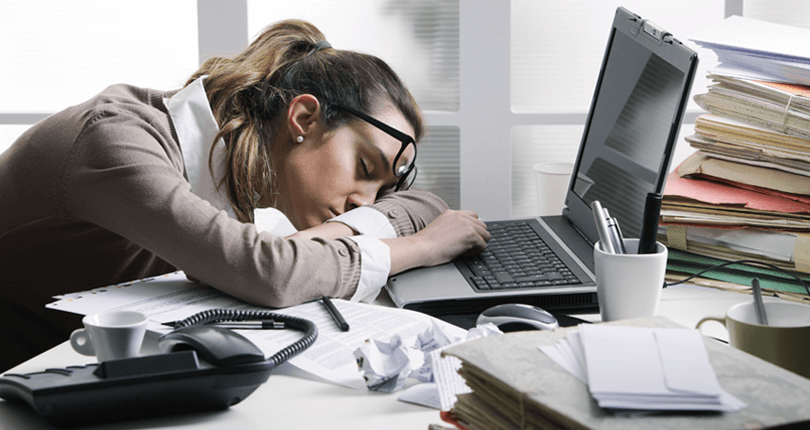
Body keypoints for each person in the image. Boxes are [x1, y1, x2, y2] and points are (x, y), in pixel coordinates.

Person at [0, 19, 489, 370]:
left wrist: (337, 232)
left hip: (94, 359)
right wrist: (419, 248)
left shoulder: (227, 157)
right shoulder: (114, 141)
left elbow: (426, 205)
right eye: (365, 167)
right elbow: (270, 272)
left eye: (383, 185)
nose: (368, 198)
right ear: (303, 119)